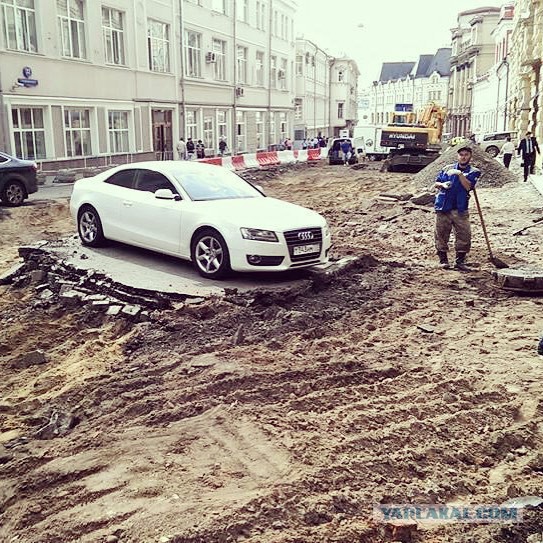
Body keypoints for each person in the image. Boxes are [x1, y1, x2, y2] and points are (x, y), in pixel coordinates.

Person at [434, 146, 481, 271]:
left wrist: (459, 174)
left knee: (464, 235)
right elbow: (436, 183)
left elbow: (468, 187)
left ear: (470, 156)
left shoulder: (474, 171)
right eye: (461, 154)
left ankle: (460, 261)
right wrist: (442, 184)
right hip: (443, 206)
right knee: (441, 234)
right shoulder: (446, 169)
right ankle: (443, 260)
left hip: (460, 208)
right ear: (457, 156)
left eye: (466, 154)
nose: (463, 157)